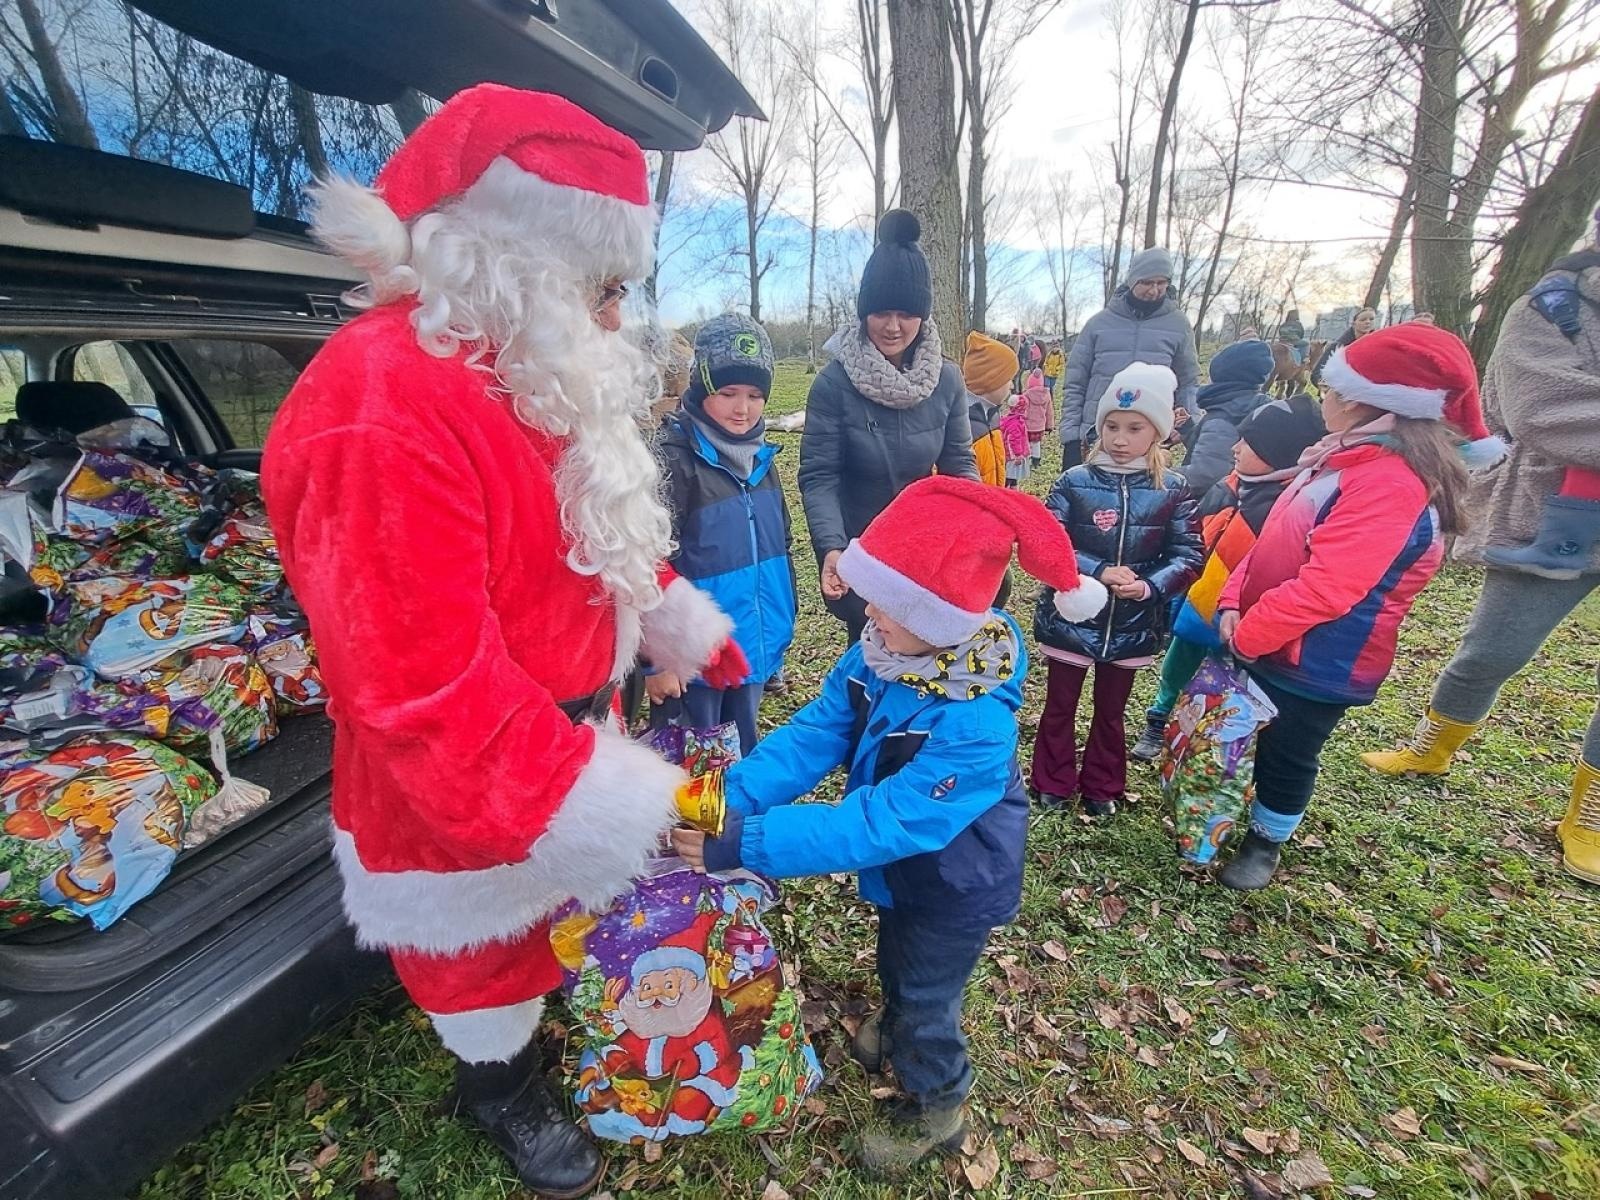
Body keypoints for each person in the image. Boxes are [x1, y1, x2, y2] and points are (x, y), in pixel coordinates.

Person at [260, 85, 749, 1196]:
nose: (618, 320)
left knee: (549, 930)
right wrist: (611, 805)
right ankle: (500, 1086)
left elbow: (588, 529)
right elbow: (417, 686)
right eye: (605, 289)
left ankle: (534, 1022)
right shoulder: (380, 402)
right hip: (475, 780)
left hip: (569, 739)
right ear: (516, 259)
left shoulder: (524, 368)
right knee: (481, 968)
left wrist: (672, 619)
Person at [669, 476, 1107, 1174]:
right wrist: (723, 798)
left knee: (930, 988)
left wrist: (743, 843)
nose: (869, 607)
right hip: (907, 869)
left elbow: (888, 819)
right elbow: (815, 734)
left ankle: (938, 1103)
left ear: (936, 618)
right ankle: (896, 1015)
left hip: (955, 879)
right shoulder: (879, 649)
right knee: (897, 952)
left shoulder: (975, 722)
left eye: (890, 598)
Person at [1214, 322, 1497, 890]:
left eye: (1332, 386)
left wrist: (1250, 634)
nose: (1325, 396)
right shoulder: (1339, 460)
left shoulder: (1387, 481)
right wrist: (1229, 599)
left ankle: (1266, 839)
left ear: (1360, 399)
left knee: (1289, 751)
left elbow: (1330, 587)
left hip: (1320, 656)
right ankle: (1231, 808)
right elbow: (1276, 539)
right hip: (1264, 633)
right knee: (1251, 731)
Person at [1360, 220, 1600, 884]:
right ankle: (1431, 748)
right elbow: (1546, 411)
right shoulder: (1551, 309)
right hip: (1553, 515)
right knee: (1495, 648)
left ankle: (1590, 814)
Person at [799, 209, 978, 645]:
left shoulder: (947, 379)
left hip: (924, 547)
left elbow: (959, 466)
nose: (893, 326)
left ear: (923, 315)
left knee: (925, 658)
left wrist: (972, 531)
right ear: (864, 312)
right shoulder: (834, 383)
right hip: (864, 548)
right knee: (868, 657)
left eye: (905, 313)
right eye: (880, 312)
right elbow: (819, 476)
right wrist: (832, 547)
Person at [1032, 363, 1203, 816]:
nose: (1120, 438)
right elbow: (1048, 541)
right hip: (1071, 617)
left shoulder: (1174, 489)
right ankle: (1052, 779)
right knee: (1060, 705)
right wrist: (1100, 569)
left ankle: (1102, 785)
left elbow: (1189, 555)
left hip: (1131, 624)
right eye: (1111, 426)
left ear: (1159, 433)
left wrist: (1149, 588)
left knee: (1111, 711)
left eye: (1134, 428)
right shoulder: (1074, 481)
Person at [1130, 394, 1326, 760]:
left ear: (1277, 451)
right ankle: (1159, 717)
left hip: (1241, 617)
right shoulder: (1228, 487)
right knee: (1179, 662)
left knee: (1226, 680)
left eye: (1247, 442)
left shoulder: (1290, 504)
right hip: (1197, 602)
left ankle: (1206, 741)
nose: (1235, 448)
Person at [649, 314, 796, 755]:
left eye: (754, 395)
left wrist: (777, 640)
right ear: (701, 389)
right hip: (691, 662)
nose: (743, 408)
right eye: (728, 393)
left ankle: (737, 826)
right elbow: (647, 567)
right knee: (693, 772)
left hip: (750, 651)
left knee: (742, 761)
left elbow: (781, 550)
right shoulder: (673, 462)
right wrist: (657, 660)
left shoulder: (764, 464)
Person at [1060, 247, 1200, 468]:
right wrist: (1070, 438)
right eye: (1147, 283)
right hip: (1098, 434)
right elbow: (1075, 382)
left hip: (1151, 437)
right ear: (1132, 281)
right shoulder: (1098, 324)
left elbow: (1189, 381)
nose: (1154, 290)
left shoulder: (1179, 325)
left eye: (1161, 283)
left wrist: (1185, 423)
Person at [1175, 338, 1274, 499]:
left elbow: (1204, 475)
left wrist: (1158, 473)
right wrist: (1188, 428)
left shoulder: (1224, 416)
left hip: (1208, 508)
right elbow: (1219, 453)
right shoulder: (1247, 405)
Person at [962, 331, 1019, 488]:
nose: (1013, 386)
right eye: (1009, 379)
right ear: (991, 380)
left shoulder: (992, 417)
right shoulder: (962, 427)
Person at [1311, 306, 1377, 386]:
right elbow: (1317, 373)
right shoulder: (1338, 347)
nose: (1368, 322)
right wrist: (1324, 386)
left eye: (1371, 319)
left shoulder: (1377, 349)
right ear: (1354, 323)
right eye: (1363, 319)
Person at [1023, 366, 1055, 468]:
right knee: (1036, 444)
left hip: (1027, 426)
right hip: (1040, 426)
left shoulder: (1026, 395)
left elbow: (1024, 411)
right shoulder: (1046, 395)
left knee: (1027, 444)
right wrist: (1049, 426)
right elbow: (1049, 412)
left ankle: (1027, 461)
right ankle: (1036, 461)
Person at [1000, 393, 1032, 488]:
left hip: (1010, 454)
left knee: (1013, 476)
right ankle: (1007, 492)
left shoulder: (1011, 419)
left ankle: (1012, 489)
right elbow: (1014, 440)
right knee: (1010, 475)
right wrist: (1017, 455)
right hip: (1013, 456)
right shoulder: (1015, 423)